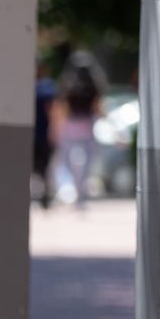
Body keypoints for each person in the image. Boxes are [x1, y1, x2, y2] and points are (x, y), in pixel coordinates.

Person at [49, 50, 107, 206]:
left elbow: (62, 109)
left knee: (66, 161)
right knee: (87, 162)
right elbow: (99, 109)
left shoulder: (67, 84)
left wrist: (56, 129)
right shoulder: (94, 85)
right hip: (87, 127)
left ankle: (74, 187)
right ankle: (80, 191)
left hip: (70, 128)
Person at [33, 61, 58, 208]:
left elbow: (53, 110)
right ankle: (44, 194)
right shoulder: (46, 87)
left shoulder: (43, 87)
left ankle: (44, 194)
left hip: (40, 135)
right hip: (42, 135)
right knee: (44, 169)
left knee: (41, 168)